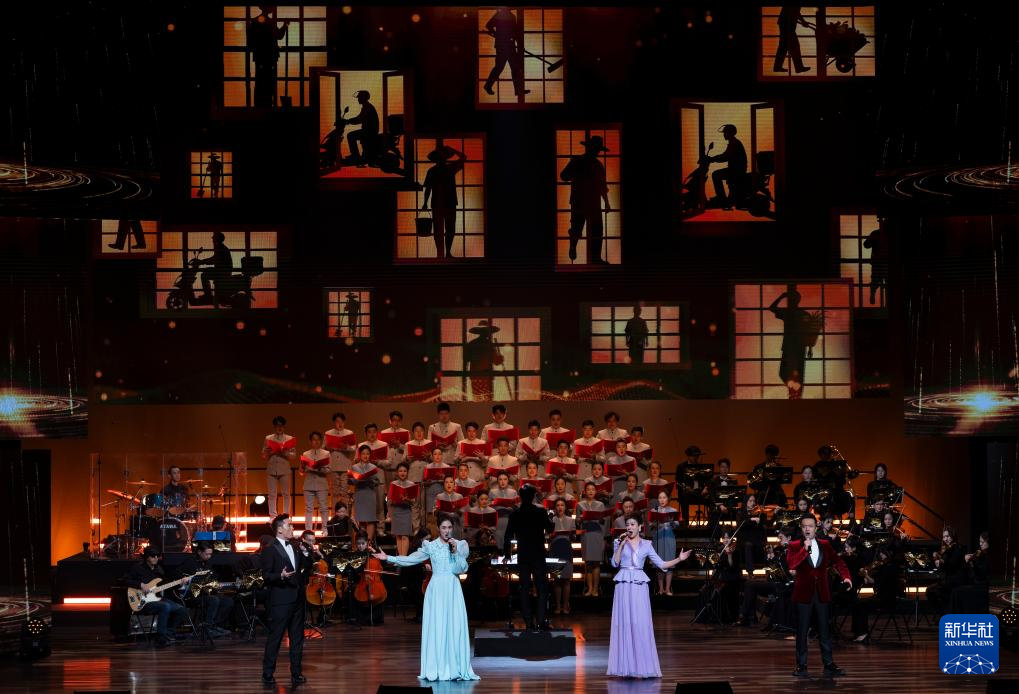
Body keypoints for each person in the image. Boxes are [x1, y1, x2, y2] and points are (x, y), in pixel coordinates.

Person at [374, 518, 480, 681]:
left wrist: (455, 552)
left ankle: (455, 666)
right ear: (438, 528)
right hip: (436, 589)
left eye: (449, 527)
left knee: (455, 625)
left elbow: (461, 569)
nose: (447, 531)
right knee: (437, 626)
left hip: (452, 588)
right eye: (443, 527)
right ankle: (437, 666)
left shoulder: (460, 545)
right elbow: (411, 559)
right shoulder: (430, 546)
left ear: (452, 528)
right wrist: (388, 557)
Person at [608, 514, 691, 678]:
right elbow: (614, 563)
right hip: (623, 585)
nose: (629, 527)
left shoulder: (647, 545)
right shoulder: (619, 542)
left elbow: (662, 564)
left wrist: (679, 559)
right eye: (627, 524)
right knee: (625, 623)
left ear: (640, 527)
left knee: (639, 623)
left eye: (633, 524)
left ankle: (641, 666)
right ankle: (625, 667)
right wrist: (621, 544)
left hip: (639, 585)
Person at [787, 514, 851, 678]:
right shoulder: (794, 545)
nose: (807, 529)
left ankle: (829, 664)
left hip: (822, 592)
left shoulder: (825, 544)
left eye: (810, 526)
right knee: (802, 631)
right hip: (803, 593)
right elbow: (792, 564)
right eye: (804, 526)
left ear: (816, 528)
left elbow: (838, 561)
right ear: (801, 528)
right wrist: (804, 549)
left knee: (824, 630)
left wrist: (846, 577)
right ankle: (801, 665)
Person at [261, 514, 308, 686]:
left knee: (297, 639)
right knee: (275, 638)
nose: (292, 528)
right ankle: (267, 674)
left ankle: (296, 673)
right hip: (280, 600)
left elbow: (304, 570)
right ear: (280, 529)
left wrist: (307, 554)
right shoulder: (270, 549)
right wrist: (279, 576)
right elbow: (266, 576)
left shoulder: (295, 547)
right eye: (290, 525)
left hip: (297, 600)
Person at [502, 484, 554, 629]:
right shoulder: (540, 512)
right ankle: (541, 620)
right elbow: (550, 529)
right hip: (538, 554)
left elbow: (508, 535)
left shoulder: (515, 514)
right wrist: (551, 516)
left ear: (520, 497)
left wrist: (507, 554)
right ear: (533, 496)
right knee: (541, 587)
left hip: (523, 554)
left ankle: (528, 621)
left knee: (524, 588)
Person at [560, 135, 611, 264]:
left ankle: (579, 249)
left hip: (581, 201)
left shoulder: (578, 161)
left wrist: (607, 202)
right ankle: (595, 258)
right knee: (593, 230)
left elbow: (564, 176)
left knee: (582, 229)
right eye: (597, 149)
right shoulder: (597, 165)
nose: (597, 152)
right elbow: (602, 187)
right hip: (590, 202)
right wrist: (607, 202)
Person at [123, 546, 188, 647]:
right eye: (153, 556)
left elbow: (166, 584)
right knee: (165, 606)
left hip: (156, 599)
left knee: (182, 610)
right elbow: (124, 580)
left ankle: (168, 634)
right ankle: (160, 638)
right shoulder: (137, 568)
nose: (156, 558)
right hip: (142, 602)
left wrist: (179, 583)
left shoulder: (159, 569)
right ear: (147, 557)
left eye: (158, 556)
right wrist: (140, 585)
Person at [177, 542, 234, 638]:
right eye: (207, 554)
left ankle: (214, 625)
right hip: (192, 596)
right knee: (214, 600)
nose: (209, 556)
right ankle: (208, 628)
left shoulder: (208, 563)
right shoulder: (190, 562)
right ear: (199, 552)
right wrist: (183, 578)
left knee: (228, 601)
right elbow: (175, 573)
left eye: (210, 554)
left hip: (204, 594)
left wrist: (215, 584)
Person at [421, 144, 466, 259]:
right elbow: (463, 157)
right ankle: (446, 253)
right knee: (448, 229)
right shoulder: (449, 169)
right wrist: (452, 150)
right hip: (447, 203)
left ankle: (443, 253)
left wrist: (425, 203)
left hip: (440, 203)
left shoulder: (433, 171)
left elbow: (428, 189)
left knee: (442, 229)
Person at [769, 287, 812, 397]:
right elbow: (810, 332)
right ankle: (795, 393)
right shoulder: (803, 314)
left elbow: (772, 308)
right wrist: (810, 348)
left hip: (790, 347)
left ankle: (793, 393)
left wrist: (781, 297)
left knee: (785, 372)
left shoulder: (788, 313)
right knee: (797, 373)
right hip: (798, 347)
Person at [247, 5, 289, 107]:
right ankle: (268, 103)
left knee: (260, 81)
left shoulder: (254, 21)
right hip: (270, 57)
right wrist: (285, 25)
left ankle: (259, 104)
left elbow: (250, 41)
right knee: (270, 81)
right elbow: (279, 36)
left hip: (260, 57)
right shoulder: (270, 22)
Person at [482, 7, 526, 97]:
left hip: (506, 45)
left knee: (509, 68)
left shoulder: (503, 15)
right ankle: (517, 90)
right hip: (505, 46)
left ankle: (517, 90)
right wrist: (497, 34)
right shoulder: (507, 16)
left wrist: (496, 34)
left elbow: (515, 32)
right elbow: (489, 25)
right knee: (506, 67)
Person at [262, 416, 296, 517]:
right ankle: (273, 516)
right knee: (272, 494)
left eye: (281, 426)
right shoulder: (268, 438)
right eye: (277, 425)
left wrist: (285, 453)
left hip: (284, 469)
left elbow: (293, 456)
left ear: (284, 427)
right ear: (274, 426)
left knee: (286, 494)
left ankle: (286, 515)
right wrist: (269, 452)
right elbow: (263, 455)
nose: (279, 428)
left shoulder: (289, 439)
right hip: (271, 469)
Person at [578, 481, 607, 597]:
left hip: (597, 534)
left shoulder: (600, 505)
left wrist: (600, 519)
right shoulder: (579, 505)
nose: (590, 491)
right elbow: (577, 522)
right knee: (588, 563)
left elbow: (604, 522)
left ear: (595, 492)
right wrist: (580, 518)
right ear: (585, 492)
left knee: (596, 563)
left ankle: (595, 589)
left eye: (593, 489)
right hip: (586, 534)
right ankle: (589, 588)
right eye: (588, 489)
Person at [707, 124, 747, 209]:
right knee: (717, 174)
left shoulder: (734, 143)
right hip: (735, 169)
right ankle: (723, 199)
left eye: (725, 132)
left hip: (736, 171)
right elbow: (725, 155)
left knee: (715, 174)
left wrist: (712, 159)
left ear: (730, 133)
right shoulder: (733, 142)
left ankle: (721, 198)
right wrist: (713, 159)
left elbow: (725, 156)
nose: (724, 134)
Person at [648, 490, 680, 596]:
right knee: (659, 564)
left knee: (670, 563)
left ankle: (667, 589)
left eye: (664, 497)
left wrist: (671, 521)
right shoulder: (654, 510)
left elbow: (677, 525)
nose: (662, 500)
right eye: (660, 498)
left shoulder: (673, 510)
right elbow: (650, 525)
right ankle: (661, 588)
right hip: (658, 539)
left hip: (669, 538)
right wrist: (655, 523)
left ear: (668, 499)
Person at [464, 321, 505, 400]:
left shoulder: (472, 343)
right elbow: (497, 362)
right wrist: (501, 358)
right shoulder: (489, 344)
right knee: (488, 399)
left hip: (475, 375)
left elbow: (466, 358)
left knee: (477, 398)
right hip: (486, 376)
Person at [300, 431, 331, 532]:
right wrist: (302, 468)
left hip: (321, 484)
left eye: (318, 440)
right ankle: (308, 530)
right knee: (308, 509)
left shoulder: (326, 453)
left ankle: (325, 529)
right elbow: (301, 472)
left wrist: (318, 468)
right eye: (314, 440)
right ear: (311, 441)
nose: (316, 442)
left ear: (320, 441)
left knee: (323, 508)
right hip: (308, 484)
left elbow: (329, 470)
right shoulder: (306, 454)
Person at [549, 497, 576, 614]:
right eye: (558, 505)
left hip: (566, 549)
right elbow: (547, 535)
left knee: (566, 580)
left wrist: (571, 534)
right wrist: (551, 535)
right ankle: (558, 606)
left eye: (562, 505)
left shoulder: (570, 520)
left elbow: (574, 536)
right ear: (555, 507)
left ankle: (565, 606)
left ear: (565, 507)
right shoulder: (551, 519)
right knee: (557, 579)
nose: (560, 507)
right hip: (555, 549)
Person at [350, 444, 381, 541]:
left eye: (367, 454)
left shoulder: (373, 467)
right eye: (363, 454)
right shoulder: (355, 467)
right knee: (361, 519)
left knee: (370, 519)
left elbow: (377, 481)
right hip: (359, 493)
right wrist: (357, 479)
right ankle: (362, 542)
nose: (365, 456)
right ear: (360, 455)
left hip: (370, 493)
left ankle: (369, 542)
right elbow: (351, 480)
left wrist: (370, 480)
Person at [194, 230, 233, 307]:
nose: (212, 239)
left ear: (217, 239)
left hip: (222, 272)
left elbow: (214, 259)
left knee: (204, 275)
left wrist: (201, 262)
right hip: (223, 271)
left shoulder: (220, 248)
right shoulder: (221, 247)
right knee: (206, 272)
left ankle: (208, 295)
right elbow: (215, 259)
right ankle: (208, 295)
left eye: (214, 238)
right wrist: (203, 262)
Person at [342, 90, 379, 165]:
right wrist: (348, 121)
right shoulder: (366, 106)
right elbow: (359, 118)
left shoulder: (367, 107)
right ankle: (357, 156)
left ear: (364, 98)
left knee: (350, 135)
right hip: (368, 130)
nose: (358, 99)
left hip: (369, 132)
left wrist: (347, 121)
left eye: (359, 97)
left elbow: (359, 119)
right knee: (352, 135)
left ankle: (355, 156)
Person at [773, 5, 811, 74]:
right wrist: (803, 21)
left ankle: (777, 67)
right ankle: (799, 67)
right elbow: (795, 11)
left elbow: (796, 12)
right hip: (787, 23)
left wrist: (802, 21)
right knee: (794, 45)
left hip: (785, 22)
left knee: (783, 46)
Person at [389, 462, 416, 555]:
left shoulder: (411, 484)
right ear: (397, 472)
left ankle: (403, 558)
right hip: (396, 512)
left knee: (404, 536)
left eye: (404, 471)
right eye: (400, 471)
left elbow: (414, 502)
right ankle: (400, 557)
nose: (402, 473)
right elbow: (390, 500)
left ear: (407, 472)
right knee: (398, 536)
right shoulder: (393, 484)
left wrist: (407, 499)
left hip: (406, 512)